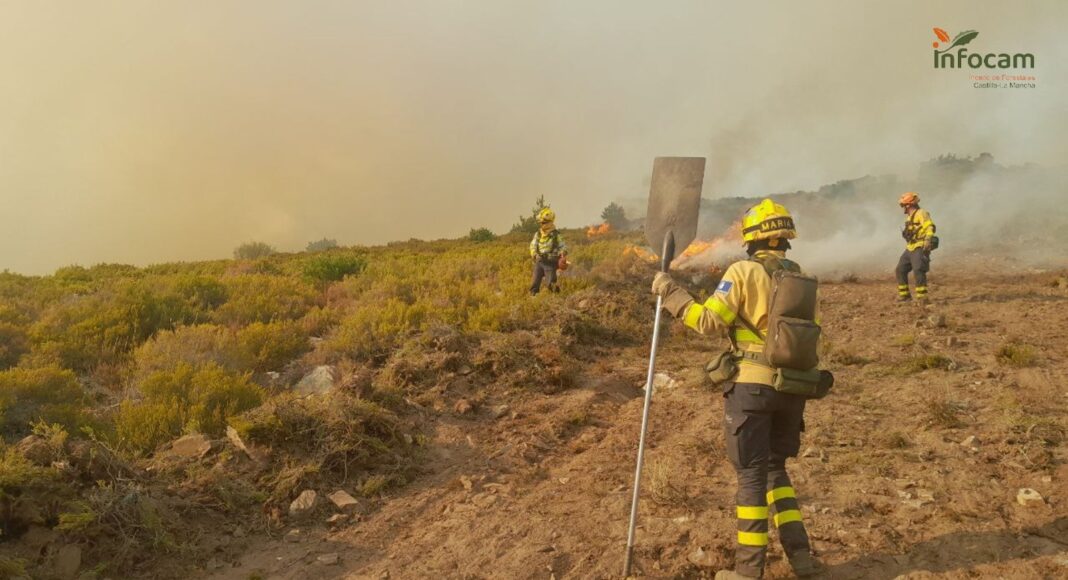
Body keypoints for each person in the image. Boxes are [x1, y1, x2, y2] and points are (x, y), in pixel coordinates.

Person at [651, 199, 821, 579]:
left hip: (751, 391)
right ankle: (802, 559)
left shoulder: (742, 272)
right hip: (792, 390)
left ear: (752, 238)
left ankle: (747, 572)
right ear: (785, 238)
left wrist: (671, 293)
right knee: (776, 471)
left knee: (751, 477)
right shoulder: (805, 279)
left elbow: (708, 322)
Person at [895, 191, 937, 305]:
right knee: (900, 269)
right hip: (910, 247)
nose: (903, 208)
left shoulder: (921, 213)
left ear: (909, 205)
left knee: (918, 269)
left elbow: (929, 226)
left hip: (920, 246)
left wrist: (928, 239)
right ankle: (905, 296)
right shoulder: (910, 217)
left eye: (903, 205)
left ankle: (922, 298)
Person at [529, 207, 568, 295]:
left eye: (544, 223)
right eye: (541, 223)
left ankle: (557, 297)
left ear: (550, 222)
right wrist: (534, 254)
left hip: (550, 263)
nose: (542, 225)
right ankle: (533, 297)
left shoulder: (556, 235)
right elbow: (533, 245)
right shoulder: (538, 234)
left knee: (551, 284)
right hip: (539, 261)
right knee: (534, 283)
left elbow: (563, 246)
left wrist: (562, 253)